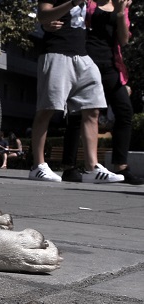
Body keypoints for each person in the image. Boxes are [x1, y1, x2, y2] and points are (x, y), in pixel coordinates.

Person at [29, 0, 123, 183]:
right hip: (57, 52)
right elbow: (43, 15)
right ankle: (37, 166)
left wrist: (120, 11)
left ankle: (92, 168)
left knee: (93, 108)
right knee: (47, 109)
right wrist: (72, 3)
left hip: (83, 56)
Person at [57, 0, 141, 184]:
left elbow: (124, 40)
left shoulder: (121, 6)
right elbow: (72, 23)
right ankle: (69, 167)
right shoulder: (88, 3)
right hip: (86, 60)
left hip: (110, 65)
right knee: (79, 114)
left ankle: (121, 166)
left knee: (124, 111)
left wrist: (120, 13)